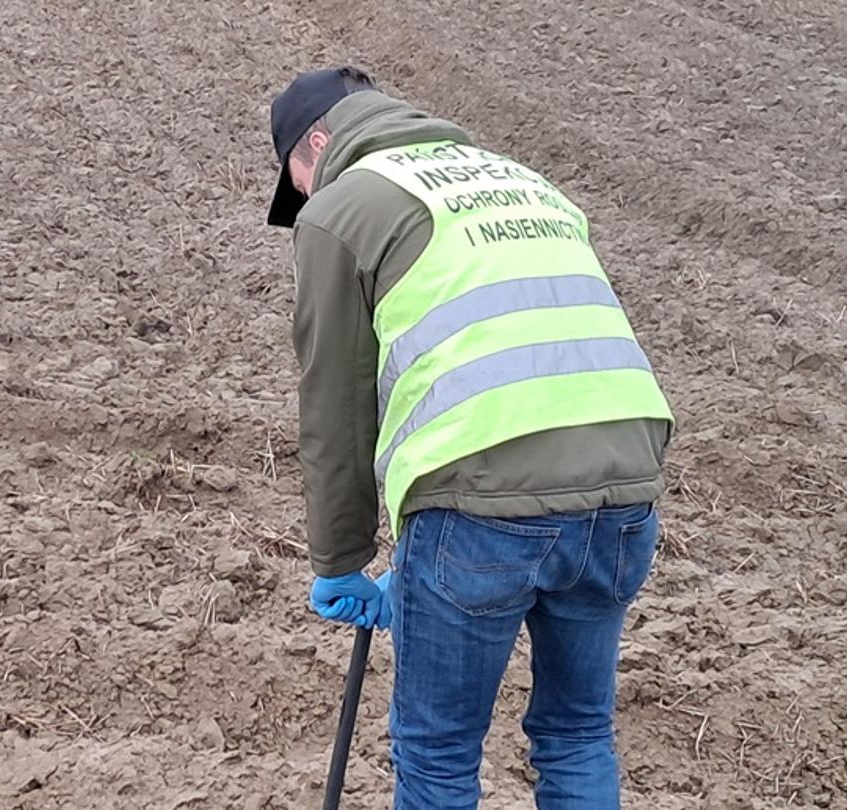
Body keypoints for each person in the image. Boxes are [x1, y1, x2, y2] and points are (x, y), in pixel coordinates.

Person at [266, 66, 677, 810]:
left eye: (295, 181)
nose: (302, 196)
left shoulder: (341, 206)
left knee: (437, 754)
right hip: (623, 493)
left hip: (479, 506)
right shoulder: (522, 182)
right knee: (577, 733)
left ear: (317, 145)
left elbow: (336, 401)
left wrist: (341, 562)